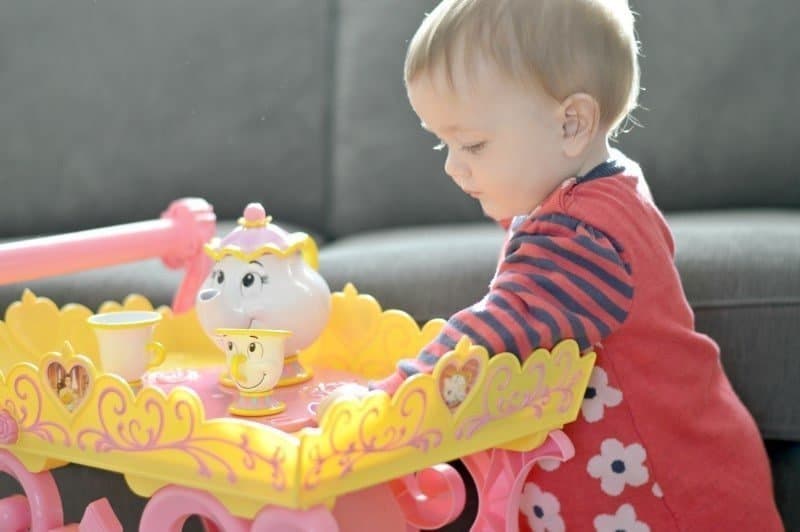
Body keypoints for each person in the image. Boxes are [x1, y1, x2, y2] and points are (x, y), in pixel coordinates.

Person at [321, 0, 783, 529]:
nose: (451, 166)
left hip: (667, 499)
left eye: (472, 143)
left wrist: (390, 398)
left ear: (571, 125)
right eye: (442, 143)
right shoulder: (596, 192)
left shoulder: (582, 239)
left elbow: (498, 326)